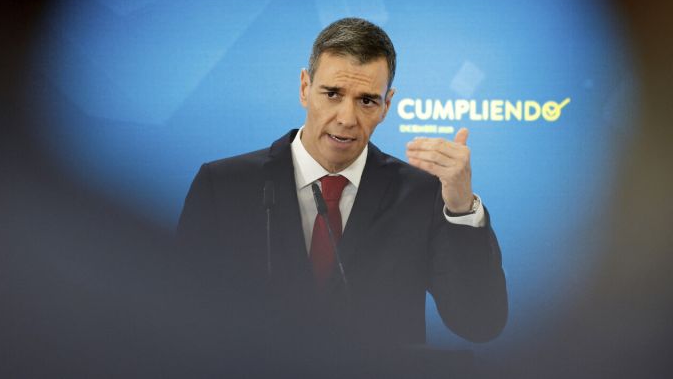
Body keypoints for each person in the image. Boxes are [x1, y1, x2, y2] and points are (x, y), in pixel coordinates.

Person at [175, 18, 507, 369]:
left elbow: (480, 323)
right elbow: (179, 317)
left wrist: (460, 207)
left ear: (387, 105)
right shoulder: (223, 187)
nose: (347, 118)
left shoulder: (422, 195)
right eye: (332, 94)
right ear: (305, 87)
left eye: (367, 101)